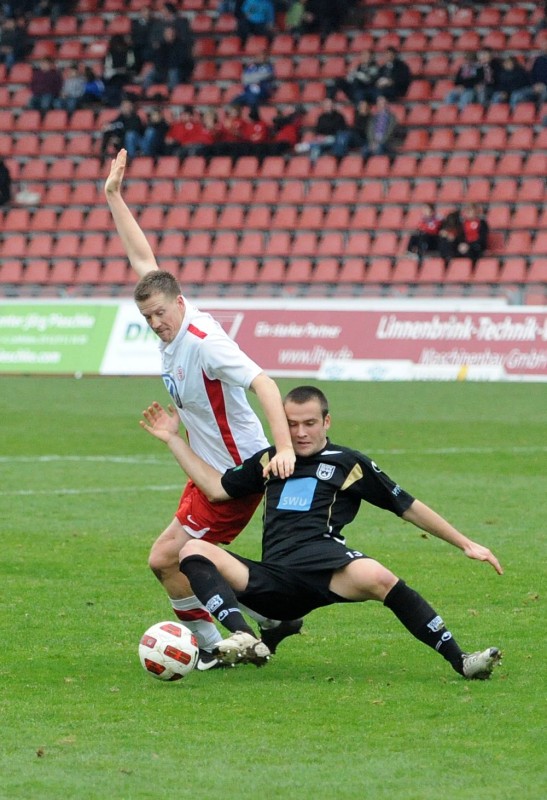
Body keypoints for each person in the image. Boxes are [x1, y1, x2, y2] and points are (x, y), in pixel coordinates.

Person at [140, 385, 503, 680]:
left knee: (379, 576)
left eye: (309, 423)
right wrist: (173, 439)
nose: (300, 432)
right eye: (291, 423)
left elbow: (405, 505)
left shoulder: (347, 463)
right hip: (275, 579)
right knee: (191, 551)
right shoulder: (271, 460)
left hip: (327, 569)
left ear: (326, 421)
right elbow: (217, 488)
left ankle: (462, 661)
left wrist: (466, 543)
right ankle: (245, 636)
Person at [104, 149, 299, 669]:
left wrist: (282, 449)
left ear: (179, 301)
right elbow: (143, 261)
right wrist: (113, 197)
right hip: (206, 466)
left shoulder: (204, 341)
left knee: (167, 558)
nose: (155, 324)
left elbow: (265, 382)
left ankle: (224, 643)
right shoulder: (168, 311)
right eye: (147, 318)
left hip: (234, 472)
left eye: (160, 314)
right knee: (173, 559)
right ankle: (264, 622)